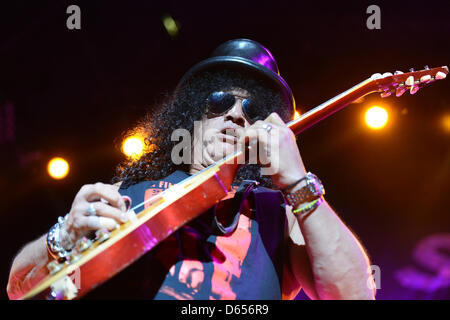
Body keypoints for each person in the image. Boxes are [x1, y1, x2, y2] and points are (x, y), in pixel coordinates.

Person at [7, 39, 375, 300]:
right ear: (193, 115)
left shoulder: (280, 211)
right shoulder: (127, 192)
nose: (235, 114)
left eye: (252, 111)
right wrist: (65, 237)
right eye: (220, 100)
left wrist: (297, 181)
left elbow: (356, 295)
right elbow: (19, 289)